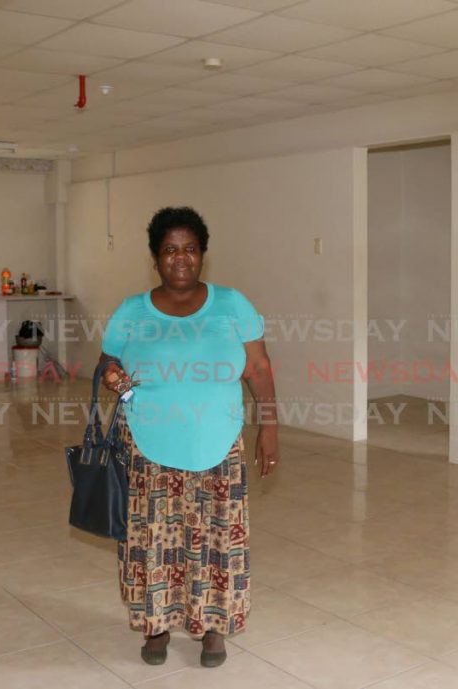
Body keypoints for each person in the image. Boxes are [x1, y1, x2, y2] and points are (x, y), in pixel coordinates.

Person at [98, 206, 279, 668]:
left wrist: (270, 427)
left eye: (190, 249)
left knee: (217, 539)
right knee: (151, 539)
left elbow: (258, 368)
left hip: (217, 444)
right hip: (145, 444)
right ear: (155, 257)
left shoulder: (232, 304)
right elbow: (106, 366)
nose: (181, 259)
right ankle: (156, 626)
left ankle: (213, 629)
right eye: (170, 250)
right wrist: (114, 377)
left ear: (203, 254)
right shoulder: (131, 310)